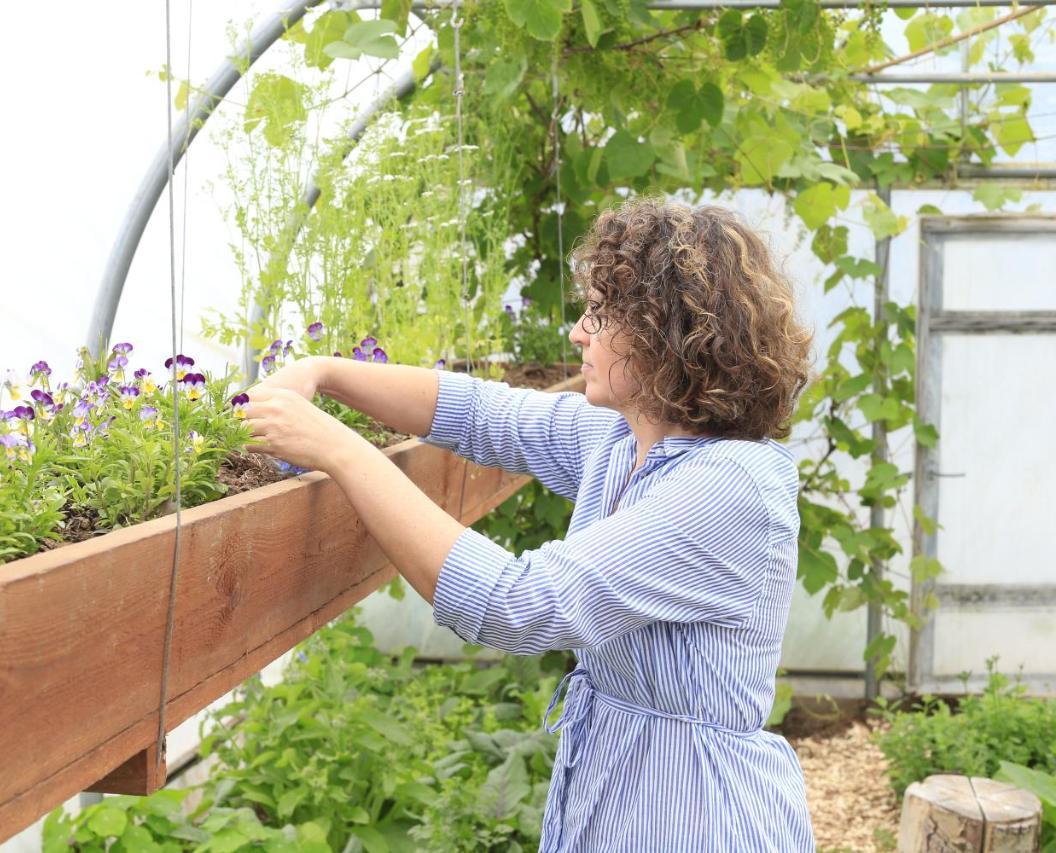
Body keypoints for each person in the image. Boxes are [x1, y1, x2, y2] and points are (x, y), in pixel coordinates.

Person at [240, 198, 816, 852]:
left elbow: (518, 604)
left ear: (665, 335)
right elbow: (485, 412)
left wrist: (343, 450)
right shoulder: (625, 441)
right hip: (620, 795)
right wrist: (324, 373)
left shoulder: (729, 486)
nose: (578, 333)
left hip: (698, 815)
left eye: (601, 315)